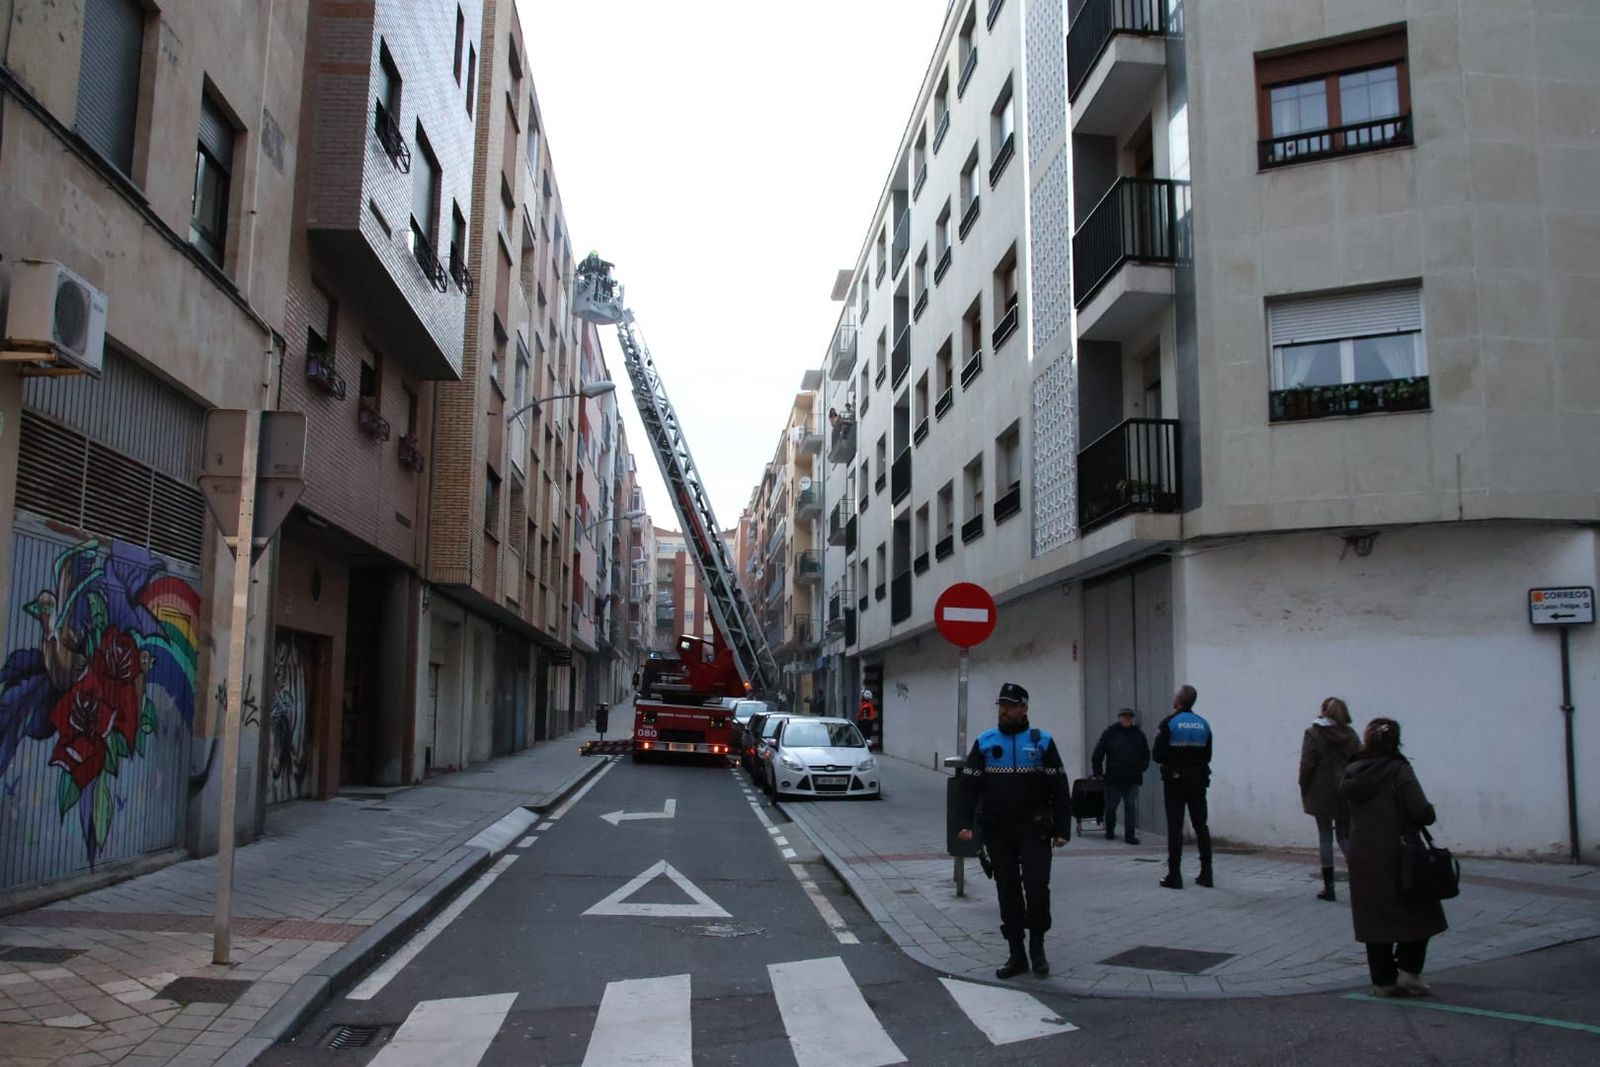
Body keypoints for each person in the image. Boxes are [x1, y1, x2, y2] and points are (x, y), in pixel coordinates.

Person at [954, 683, 1072, 979]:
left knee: (1036, 888)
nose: (1003, 710)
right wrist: (964, 823)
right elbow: (968, 788)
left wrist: (1063, 828)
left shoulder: (1042, 742)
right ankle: (1016, 954)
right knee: (1007, 892)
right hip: (998, 830)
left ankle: (1038, 949)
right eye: (1000, 705)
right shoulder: (985, 741)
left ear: (1024, 708)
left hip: (1034, 829)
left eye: (1010, 705)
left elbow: (1059, 787)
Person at [1340, 717, 1448, 997]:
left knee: (1374, 917)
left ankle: (1383, 980)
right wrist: (1429, 812)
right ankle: (1409, 972)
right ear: (1395, 741)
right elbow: (1420, 810)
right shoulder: (1399, 769)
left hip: (1363, 853)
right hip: (1400, 853)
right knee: (1421, 911)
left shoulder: (1351, 771)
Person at [1300, 696, 1361, 902]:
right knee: (1344, 836)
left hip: (1321, 790)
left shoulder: (1313, 733)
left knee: (1325, 836)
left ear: (1323, 710)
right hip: (1345, 790)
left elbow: (1307, 764)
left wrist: (1304, 785)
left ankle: (1329, 886)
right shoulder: (1351, 735)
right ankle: (1362, 879)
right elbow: (1360, 761)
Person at [1153, 684, 1213, 889]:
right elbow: (1208, 756)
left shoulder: (1170, 723)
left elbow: (1157, 755)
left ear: (1178, 700)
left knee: (1175, 827)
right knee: (1201, 826)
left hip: (1175, 780)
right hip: (1198, 780)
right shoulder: (1203, 724)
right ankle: (1207, 873)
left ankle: (1174, 875)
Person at [1092, 708, 1150, 844]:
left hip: (1133, 778)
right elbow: (1097, 754)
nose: (1127, 719)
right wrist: (1098, 773)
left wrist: (1142, 767)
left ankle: (1130, 836)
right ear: (1119, 718)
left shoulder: (1138, 734)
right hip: (1113, 778)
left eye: (1130, 717)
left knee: (1130, 806)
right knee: (1111, 807)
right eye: (1124, 717)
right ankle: (1110, 831)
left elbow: (1146, 754)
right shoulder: (1110, 733)